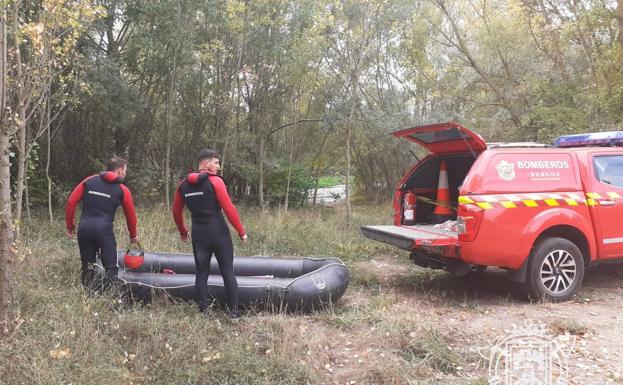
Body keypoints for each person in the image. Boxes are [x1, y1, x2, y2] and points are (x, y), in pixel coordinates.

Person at [173, 149, 247, 319]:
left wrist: (183, 231)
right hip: (219, 233)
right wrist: (241, 232)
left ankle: (204, 312)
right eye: (216, 163)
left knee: (201, 273)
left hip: (199, 236)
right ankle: (234, 313)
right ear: (205, 163)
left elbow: (176, 212)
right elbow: (229, 208)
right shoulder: (216, 182)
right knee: (228, 271)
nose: (218, 167)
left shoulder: (183, 185)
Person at [65, 157, 138, 291]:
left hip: (84, 230)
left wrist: (70, 226)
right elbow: (131, 215)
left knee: (88, 267)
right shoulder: (122, 189)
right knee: (111, 268)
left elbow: (71, 201)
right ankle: (113, 301)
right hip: (104, 233)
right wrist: (133, 236)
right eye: (125, 171)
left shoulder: (90, 180)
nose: (125, 174)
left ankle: (88, 299)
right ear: (120, 170)